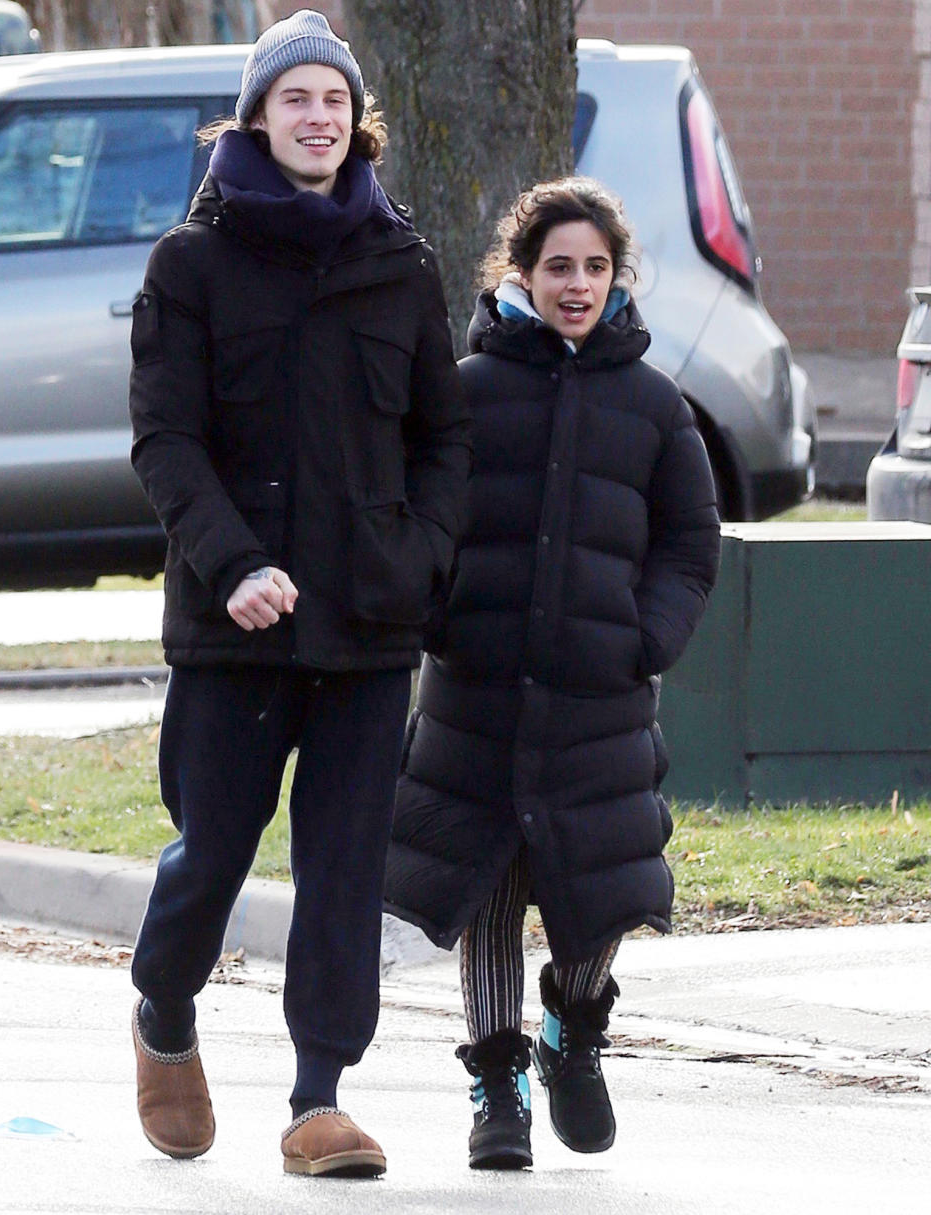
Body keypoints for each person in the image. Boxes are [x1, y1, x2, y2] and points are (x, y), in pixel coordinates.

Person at [128, 10, 470, 1178]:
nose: (317, 118)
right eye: (294, 100)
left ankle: (319, 1098)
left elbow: (443, 441)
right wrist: (233, 567)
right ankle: (163, 1012)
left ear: (353, 121)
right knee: (211, 853)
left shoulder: (401, 262)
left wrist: (420, 554)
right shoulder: (191, 263)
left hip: (369, 627)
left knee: (341, 870)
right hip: (235, 631)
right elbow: (166, 441)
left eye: (333, 100)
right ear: (258, 119)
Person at [385, 177, 721, 1169]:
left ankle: (573, 1028)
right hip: (476, 697)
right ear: (519, 275)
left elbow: (690, 541)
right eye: (557, 267)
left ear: (618, 281)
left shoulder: (658, 408)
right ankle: (497, 1089)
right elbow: (418, 515)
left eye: (595, 268)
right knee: (488, 890)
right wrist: (440, 616)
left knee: (598, 889)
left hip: (598, 703)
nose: (576, 286)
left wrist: (646, 636)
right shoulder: (464, 390)